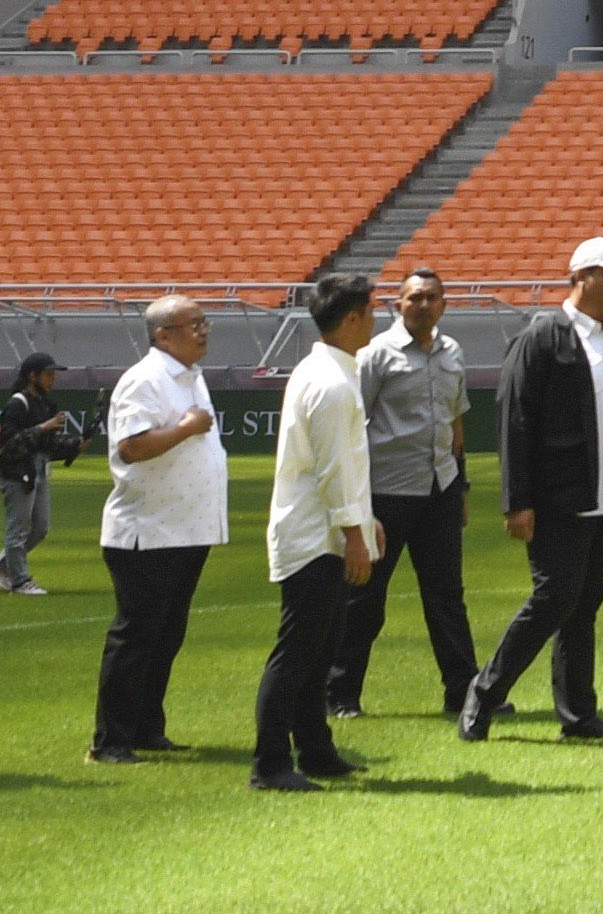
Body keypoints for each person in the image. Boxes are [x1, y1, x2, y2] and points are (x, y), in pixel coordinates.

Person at [462, 238, 603, 742]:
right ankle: (483, 694)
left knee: (583, 605)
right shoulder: (543, 336)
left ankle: (578, 715)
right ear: (582, 276)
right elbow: (514, 421)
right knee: (554, 598)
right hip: (558, 498)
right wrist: (516, 501)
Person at [254, 275, 382, 791]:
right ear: (350, 319)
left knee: (318, 649)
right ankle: (269, 763)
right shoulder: (330, 384)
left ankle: (315, 749)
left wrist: (363, 521)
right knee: (299, 652)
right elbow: (332, 469)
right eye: (371, 310)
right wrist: (354, 533)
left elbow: (343, 467)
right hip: (316, 538)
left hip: (321, 530)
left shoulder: (329, 374)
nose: (377, 318)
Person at [331, 267, 474, 718]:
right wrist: (358, 501)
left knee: (447, 598)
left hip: (440, 489)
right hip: (388, 492)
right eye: (415, 298)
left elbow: (455, 422)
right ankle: (340, 694)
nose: (424, 305)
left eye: (432, 297)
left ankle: (463, 693)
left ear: (444, 304)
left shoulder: (453, 352)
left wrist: (461, 485)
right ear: (399, 303)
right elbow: (354, 426)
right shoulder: (376, 355)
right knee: (364, 600)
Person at [92, 294, 227, 764]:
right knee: (136, 637)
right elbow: (130, 447)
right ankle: (110, 740)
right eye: (193, 324)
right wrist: (189, 428)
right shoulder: (144, 380)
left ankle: (147, 727)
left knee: (166, 635)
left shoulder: (190, 377)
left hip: (184, 529)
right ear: (162, 335)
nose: (204, 330)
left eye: (204, 322)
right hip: (147, 532)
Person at [0, 350, 81, 596]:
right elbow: (11, 443)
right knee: (20, 527)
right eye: (48, 374)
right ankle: (20, 581)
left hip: (38, 470)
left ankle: (1, 567)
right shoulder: (17, 403)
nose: (52, 379)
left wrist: (75, 445)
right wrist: (44, 427)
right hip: (17, 472)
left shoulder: (46, 404)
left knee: (40, 527)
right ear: (32, 376)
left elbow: (48, 447)